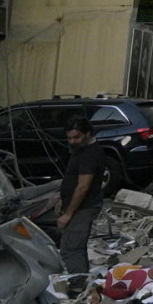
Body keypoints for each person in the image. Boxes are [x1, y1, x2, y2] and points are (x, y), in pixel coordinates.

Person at [56, 119, 117, 283]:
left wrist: (68, 214)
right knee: (76, 246)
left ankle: (78, 286)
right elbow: (72, 180)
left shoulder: (90, 153)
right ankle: (82, 282)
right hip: (78, 206)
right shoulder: (81, 150)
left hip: (85, 207)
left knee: (71, 248)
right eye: (69, 138)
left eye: (76, 137)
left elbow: (83, 187)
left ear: (88, 133)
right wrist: (63, 199)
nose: (72, 141)